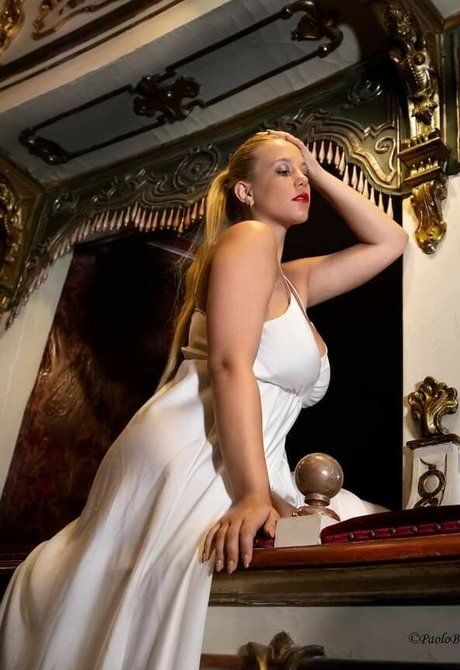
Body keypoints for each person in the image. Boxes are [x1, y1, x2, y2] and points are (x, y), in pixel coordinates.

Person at [0, 130, 408, 670]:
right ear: (245, 192)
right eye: (283, 171)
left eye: (302, 172)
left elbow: (390, 241)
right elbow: (230, 364)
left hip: (245, 451)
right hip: (199, 445)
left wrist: (317, 168)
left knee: (353, 523)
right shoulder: (249, 238)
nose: (301, 180)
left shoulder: (294, 281)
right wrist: (252, 494)